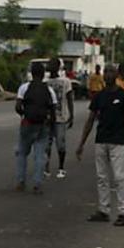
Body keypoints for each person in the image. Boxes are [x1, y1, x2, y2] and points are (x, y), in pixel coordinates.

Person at [76, 64, 124, 227]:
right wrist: (81, 143)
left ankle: (122, 212)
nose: (107, 75)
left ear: (116, 74)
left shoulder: (123, 96)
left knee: (119, 177)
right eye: (105, 72)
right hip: (101, 140)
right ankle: (104, 210)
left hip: (118, 141)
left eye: (110, 72)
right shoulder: (99, 96)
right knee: (102, 177)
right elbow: (90, 120)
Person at [14, 61, 57, 194]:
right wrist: (52, 127)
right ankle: (37, 184)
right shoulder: (49, 90)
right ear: (44, 74)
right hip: (42, 126)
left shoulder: (24, 88)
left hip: (27, 124)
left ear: (31, 74)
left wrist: (24, 114)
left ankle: (21, 181)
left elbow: (17, 106)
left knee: (22, 153)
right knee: (39, 156)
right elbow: (53, 110)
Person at [44, 58, 74, 179]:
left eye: (52, 64)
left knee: (61, 144)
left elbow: (70, 98)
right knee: (47, 145)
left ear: (57, 67)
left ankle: (61, 168)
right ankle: (46, 168)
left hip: (61, 118)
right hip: (48, 118)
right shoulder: (45, 82)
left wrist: (72, 115)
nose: (49, 66)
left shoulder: (65, 82)